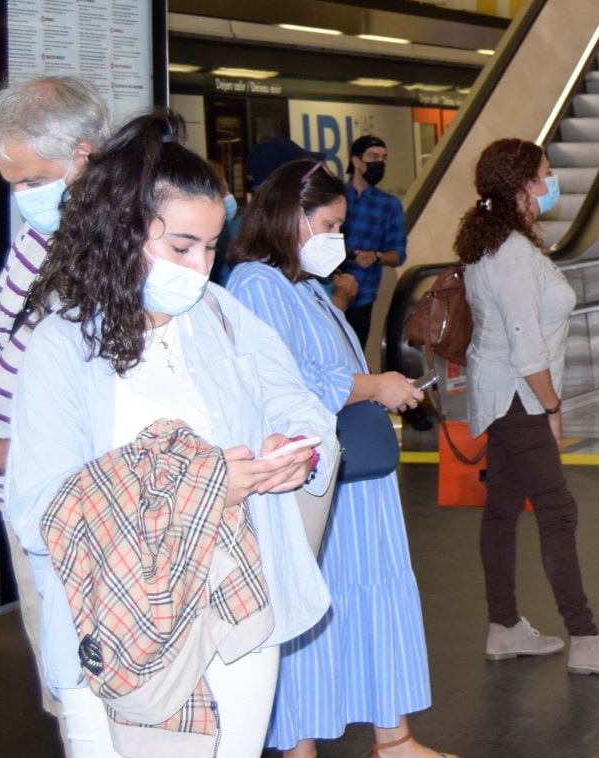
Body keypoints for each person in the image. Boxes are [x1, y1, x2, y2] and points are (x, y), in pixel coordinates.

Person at [6, 113, 338, 757]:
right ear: (124, 233)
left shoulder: (222, 315)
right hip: (115, 619)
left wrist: (298, 450)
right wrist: (208, 483)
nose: (200, 266)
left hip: (235, 610)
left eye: (213, 248)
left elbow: (300, 406)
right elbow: (40, 510)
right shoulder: (60, 347)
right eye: (182, 247)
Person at [226, 160, 447, 758]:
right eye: (329, 225)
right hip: (313, 476)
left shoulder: (299, 285)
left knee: (369, 593)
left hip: (347, 475)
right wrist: (377, 387)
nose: (339, 241)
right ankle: (302, 743)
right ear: (291, 218)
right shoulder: (256, 285)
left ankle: (392, 737)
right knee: (312, 603)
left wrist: (375, 386)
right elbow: (293, 383)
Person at [0, 76, 110, 720]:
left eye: (31, 181)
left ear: (85, 158)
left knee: (102, 702)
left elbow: (119, 428)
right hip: (26, 505)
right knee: (65, 694)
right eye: (11, 183)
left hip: (89, 524)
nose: (21, 198)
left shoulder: (128, 255)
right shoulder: (44, 235)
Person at [457, 139, 599, 673]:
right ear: (521, 184)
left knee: (501, 511)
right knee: (557, 511)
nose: (551, 183)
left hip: (501, 395)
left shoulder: (494, 242)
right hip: (519, 399)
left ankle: (503, 627)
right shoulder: (513, 253)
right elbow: (526, 344)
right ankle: (585, 638)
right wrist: (550, 406)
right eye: (544, 175)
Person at [342, 134, 406, 352]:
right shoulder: (334, 196)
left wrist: (376, 256)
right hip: (328, 293)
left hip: (362, 297)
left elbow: (398, 254)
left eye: (383, 157)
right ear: (357, 161)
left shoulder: (390, 205)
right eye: (373, 156)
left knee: (354, 355)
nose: (380, 162)